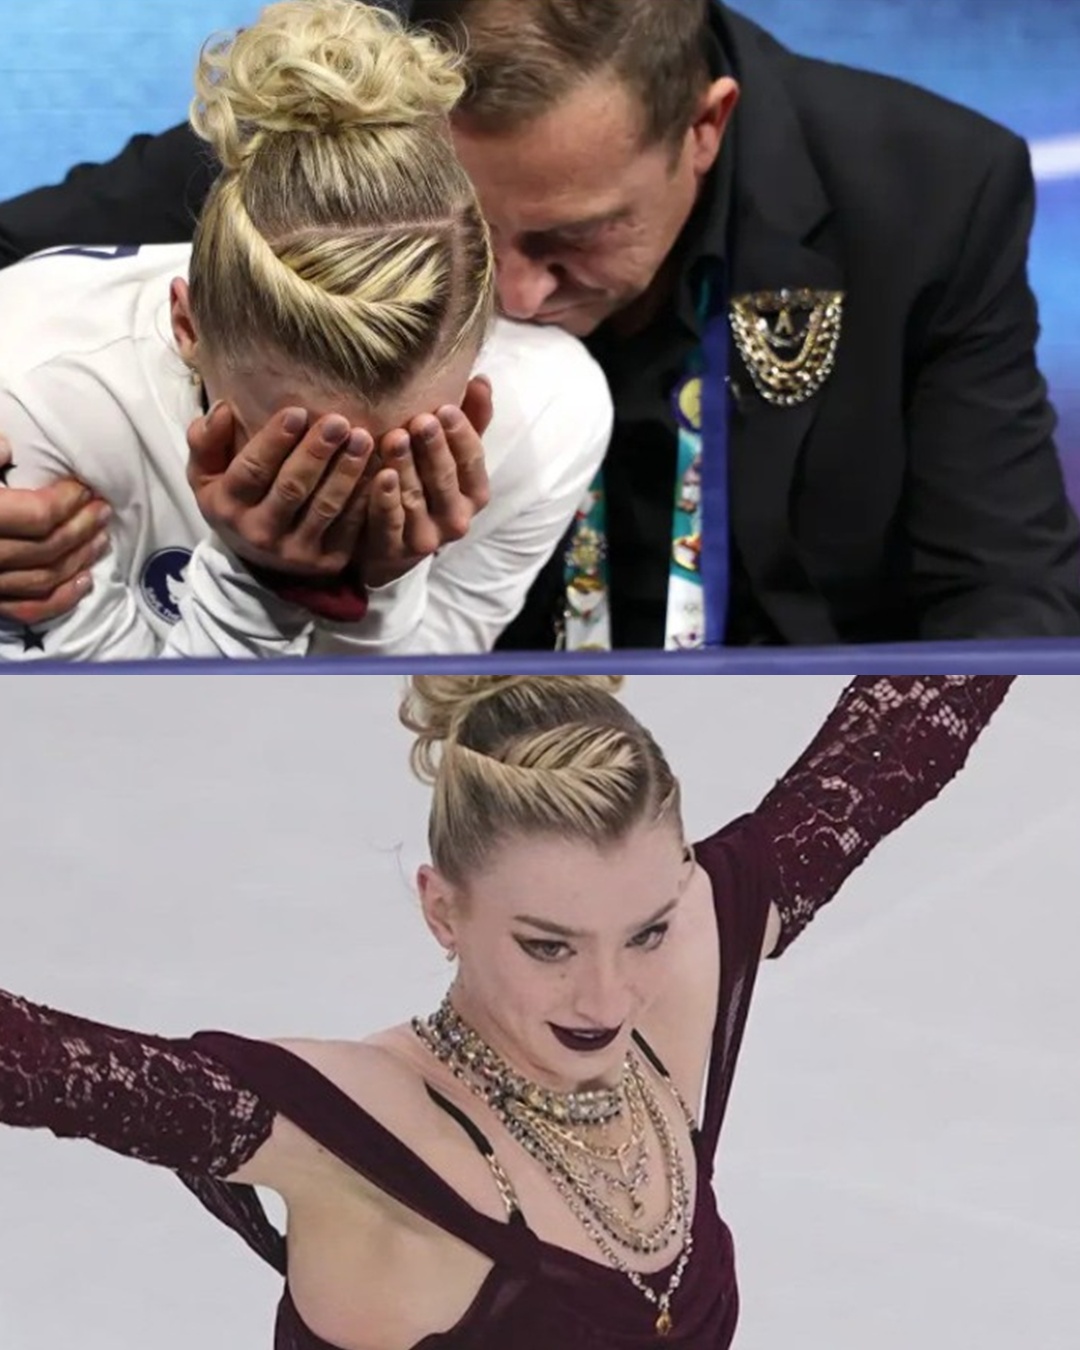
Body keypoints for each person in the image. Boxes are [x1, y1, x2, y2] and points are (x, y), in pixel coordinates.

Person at [0, 1, 1077, 649]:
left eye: (574, 239)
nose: (511, 299)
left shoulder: (928, 189)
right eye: (471, 232)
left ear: (705, 128)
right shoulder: (323, 166)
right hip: (398, 746)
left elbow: (1002, 586)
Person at [0, 673, 1014, 1348]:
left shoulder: (691, 965)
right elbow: (38, 1062)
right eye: (548, 947)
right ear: (442, 908)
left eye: (648, 931)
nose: (608, 999)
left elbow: (904, 736)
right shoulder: (364, 1137)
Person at [0, 0, 610, 660]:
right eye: (292, 448)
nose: (340, 500)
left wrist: (380, 584)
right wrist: (255, 580)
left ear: (480, 352)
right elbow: (118, 748)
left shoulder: (548, 416)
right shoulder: (31, 385)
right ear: (188, 324)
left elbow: (396, 735)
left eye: (400, 451)